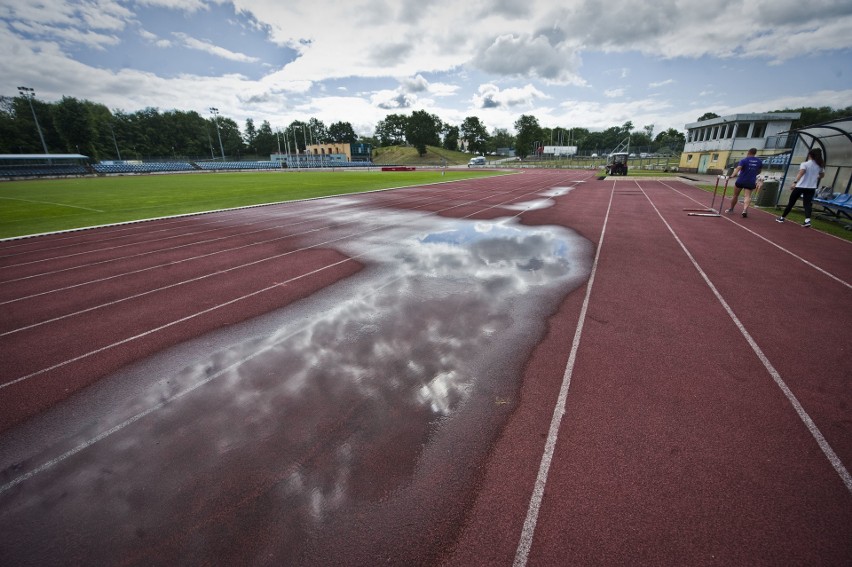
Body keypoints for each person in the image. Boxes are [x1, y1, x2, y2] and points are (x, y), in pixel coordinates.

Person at [776, 148, 825, 227]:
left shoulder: (805, 164)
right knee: (807, 204)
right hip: (811, 187)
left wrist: (795, 182)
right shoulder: (820, 166)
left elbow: (801, 173)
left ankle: (782, 217)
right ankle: (807, 220)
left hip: (801, 186)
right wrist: (815, 177)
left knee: (791, 202)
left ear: (810, 155)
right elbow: (822, 175)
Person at [725, 148, 763, 218]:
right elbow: (759, 171)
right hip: (750, 181)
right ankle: (745, 210)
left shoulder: (744, 160)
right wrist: (753, 173)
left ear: (748, 152)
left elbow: (738, 168)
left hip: (741, 180)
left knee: (735, 195)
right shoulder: (759, 161)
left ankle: (731, 209)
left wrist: (732, 175)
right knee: (747, 196)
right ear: (755, 153)